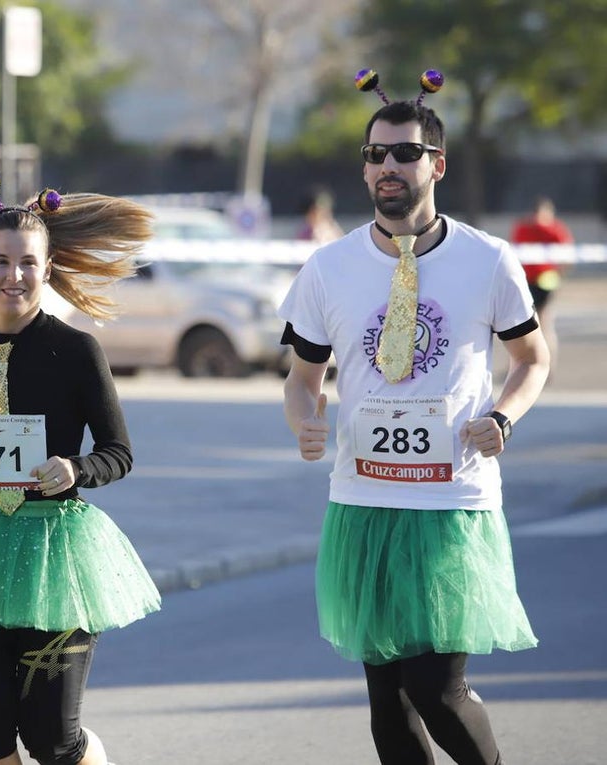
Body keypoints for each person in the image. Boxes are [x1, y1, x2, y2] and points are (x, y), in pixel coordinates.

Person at [278, 74, 550, 765]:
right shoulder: (327, 268)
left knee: (436, 685)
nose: (387, 167)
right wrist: (304, 418)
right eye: (375, 155)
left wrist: (504, 417)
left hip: (449, 498)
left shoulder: (488, 259)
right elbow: (302, 378)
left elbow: (532, 359)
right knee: (386, 696)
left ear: (438, 163)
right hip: (364, 498)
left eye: (404, 153)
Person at [0, 175, 161, 765]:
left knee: (52, 739)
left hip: (52, 555)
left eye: (28, 264)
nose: (14, 277)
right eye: (1, 263)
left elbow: (119, 451)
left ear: (49, 267)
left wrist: (75, 468)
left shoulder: (77, 349)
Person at [510, 196, 572, 372]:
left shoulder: (553, 229)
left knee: (543, 323)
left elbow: (566, 257)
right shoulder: (532, 228)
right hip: (528, 281)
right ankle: (524, 365)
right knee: (526, 326)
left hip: (545, 282)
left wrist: (557, 275)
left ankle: (546, 365)